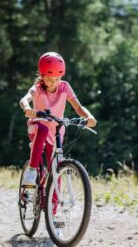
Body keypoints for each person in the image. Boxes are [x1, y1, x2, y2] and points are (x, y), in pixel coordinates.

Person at [19, 52, 96, 186]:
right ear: (42, 76)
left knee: (55, 167)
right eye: (49, 79)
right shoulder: (37, 88)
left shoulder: (65, 87)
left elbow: (78, 107)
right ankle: (31, 171)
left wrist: (89, 116)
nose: (53, 83)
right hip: (38, 127)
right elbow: (24, 99)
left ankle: (52, 205)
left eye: (57, 79)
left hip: (55, 132)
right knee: (42, 129)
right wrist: (27, 108)